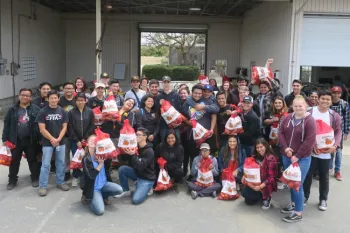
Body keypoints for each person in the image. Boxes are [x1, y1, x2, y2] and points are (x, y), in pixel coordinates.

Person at [278, 95, 316, 223]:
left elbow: (309, 141)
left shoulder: (310, 121)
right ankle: (294, 205)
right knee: (290, 183)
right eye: (296, 106)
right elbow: (281, 133)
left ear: (305, 106)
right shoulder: (288, 118)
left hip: (302, 158)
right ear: (292, 107)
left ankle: (298, 212)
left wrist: (297, 156)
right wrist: (286, 148)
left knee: (297, 185)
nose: (298, 108)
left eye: (301, 106)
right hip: (287, 156)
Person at [303, 90, 342, 211]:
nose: (325, 101)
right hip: (310, 151)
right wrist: (311, 143)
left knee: (324, 176)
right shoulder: (309, 112)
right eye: (323, 98)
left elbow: (338, 131)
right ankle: (304, 197)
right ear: (318, 99)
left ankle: (323, 199)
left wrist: (335, 146)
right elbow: (304, 129)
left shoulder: (333, 115)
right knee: (307, 175)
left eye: (328, 99)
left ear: (331, 102)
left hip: (326, 152)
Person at [2, 88, 40, 190]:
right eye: (23, 95)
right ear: (19, 96)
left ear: (30, 97)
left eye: (27, 95)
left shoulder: (35, 109)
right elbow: (7, 124)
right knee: (14, 161)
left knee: (32, 160)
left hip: (30, 140)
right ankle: (12, 181)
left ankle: (35, 178)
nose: (25, 97)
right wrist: (4, 139)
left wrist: (40, 139)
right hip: (15, 140)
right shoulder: (12, 109)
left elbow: (39, 125)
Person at [36, 90, 70, 196]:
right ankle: (43, 186)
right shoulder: (43, 111)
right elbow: (42, 129)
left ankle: (60, 182)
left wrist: (58, 139)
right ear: (48, 99)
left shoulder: (63, 111)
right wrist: (53, 139)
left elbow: (65, 127)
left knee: (60, 163)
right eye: (51, 98)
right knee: (46, 164)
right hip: (47, 143)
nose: (54, 100)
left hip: (61, 142)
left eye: (56, 98)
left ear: (58, 99)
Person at [181, 85, 218, 178]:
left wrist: (211, 129)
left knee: (203, 154)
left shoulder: (207, 101)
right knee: (191, 154)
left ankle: (202, 174)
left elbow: (215, 113)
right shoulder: (187, 102)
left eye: (199, 93)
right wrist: (192, 124)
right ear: (191, 93)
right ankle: (190, 173)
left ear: (202, 94)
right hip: (192, 133)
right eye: (195, 93)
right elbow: (183, 118)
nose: (197, 95)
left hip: (205, 134)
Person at [81, 135, 123, 216]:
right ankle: (88, 197)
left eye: (95, 140)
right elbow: (91, 176)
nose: (93, 141)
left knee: (119, 190)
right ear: (87, 144)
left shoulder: (102, 154)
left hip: (104, 184)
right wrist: (100, 164)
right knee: (100, 211)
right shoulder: (86, 158)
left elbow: (108, 166)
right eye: (91, 140)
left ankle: (103, 196)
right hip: (94, 188)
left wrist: (109, 153)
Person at [116, 127, 156, 205]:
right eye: (135, 134)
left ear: (145, 137)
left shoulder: (149, 151)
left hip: (146, 178)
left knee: (136, 200)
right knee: (122, 169)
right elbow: (126, 160)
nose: (136, 136)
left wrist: (133, 154)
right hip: (137, 174)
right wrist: (123, 151)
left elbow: (141, 166)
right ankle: (126, 190)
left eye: (138, 135)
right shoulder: (134, 146)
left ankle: (148, 187)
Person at [241, 138, 278, 209]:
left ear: (265, 146)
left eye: (261, 147)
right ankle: (260, 195)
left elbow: (272, 178)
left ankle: (266, 196)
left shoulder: (271, 158)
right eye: (257, 147)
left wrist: (260, 187)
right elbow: (249, 169)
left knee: (250, 196)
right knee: (247, 199)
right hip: (255, 181)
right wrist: (244, 175)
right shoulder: (254, 157)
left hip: (265, 183)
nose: (259, 149)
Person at [68, 93, 95, 186]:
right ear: (75, 101)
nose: (80, 102)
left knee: (87, 159)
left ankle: (86, 176)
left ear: (85, 101)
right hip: (75, 141)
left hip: (86, 140)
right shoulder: (71, 112)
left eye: (82, 100)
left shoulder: (90, 111)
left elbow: (92, 126)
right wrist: (77, 140)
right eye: (78, 100)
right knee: (77, 159)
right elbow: (70, 127)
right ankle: (75, 176)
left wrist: (86, 138)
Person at [329, 86, 349, 181]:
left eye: (338, 93)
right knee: (329, 149)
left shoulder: (344, 104)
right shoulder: (328, 103)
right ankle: (329, 167)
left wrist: (346, 132)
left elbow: (347, 118)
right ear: (331, 93)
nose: (336, 95)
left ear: (340, 94)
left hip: (339, 132)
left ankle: (337, 170)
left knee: (339, 151)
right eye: (334, 93)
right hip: (328, 131)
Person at [58, 82, 77, 181]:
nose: (69, 90)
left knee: (76, 153)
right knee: (65, 154)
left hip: (75, 132)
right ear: (63, 89)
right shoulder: (59, 101)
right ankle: (66, 171)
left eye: (71, 88)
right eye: (66, 88)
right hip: (63, 132)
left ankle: (76, 171)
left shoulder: (77, 100)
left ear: (74, 89)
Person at [155, 76, 182, 142]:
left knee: (177, 144)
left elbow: (180, 110)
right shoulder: (159, 96)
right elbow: (157, 111)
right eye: (164, 82)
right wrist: (160, 105)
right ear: (162, 83)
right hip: (164, 126)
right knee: (164, 144)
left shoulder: (176, 95)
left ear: (170, 83)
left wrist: (178, 123)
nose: (166, 84)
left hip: (175, 126)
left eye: (168, 82)